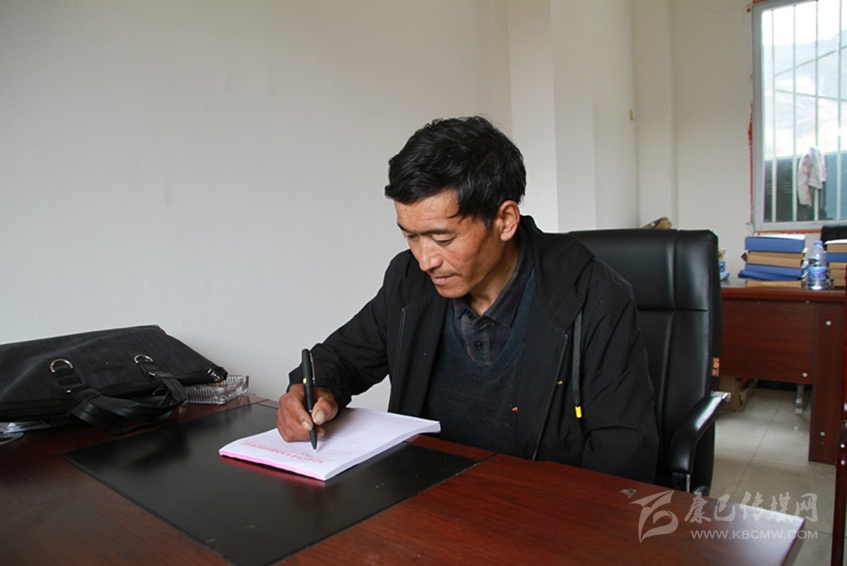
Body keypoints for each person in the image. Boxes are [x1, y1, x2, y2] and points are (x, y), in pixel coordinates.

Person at [276, 116, 659, 482]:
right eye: (411, 236)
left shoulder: (593, 296)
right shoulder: (409, 281)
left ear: (505, 220)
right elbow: (340, 359)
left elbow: (623, 459)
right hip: (421, 499)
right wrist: (313, 391)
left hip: (542, 514)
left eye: (442, 238)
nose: (425, 260)